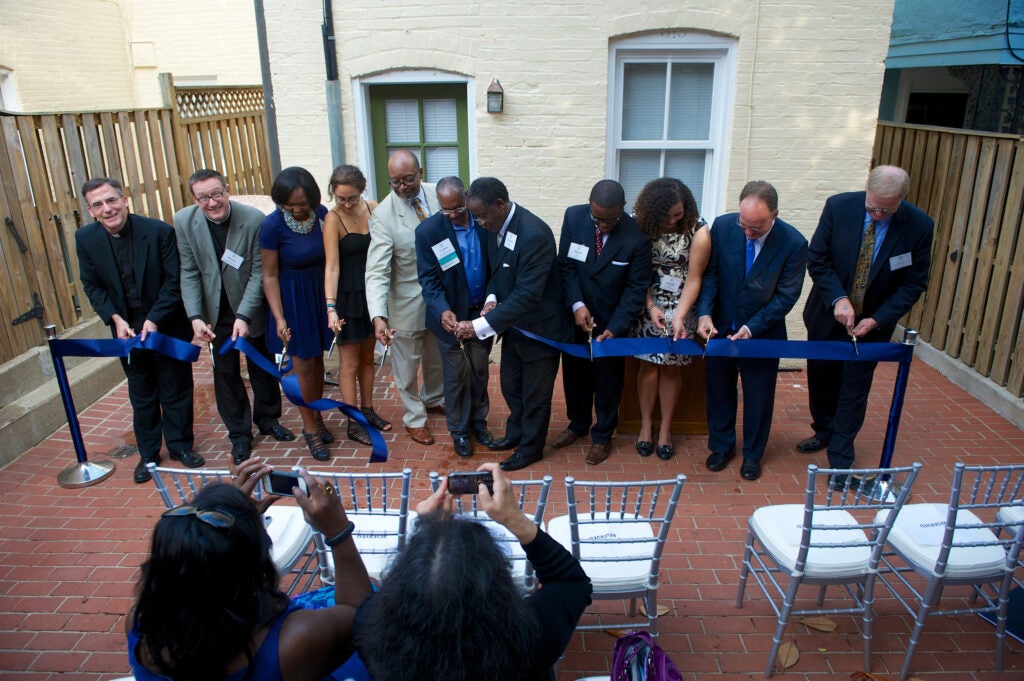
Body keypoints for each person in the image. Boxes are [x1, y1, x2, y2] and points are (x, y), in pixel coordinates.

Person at [126, 458, 373, 681]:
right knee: (372, 587)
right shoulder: (294, 641)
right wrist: (338, 531)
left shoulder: (139, 624)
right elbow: (359, 613)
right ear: (250, 571)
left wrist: (233, 513)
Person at [354, 463, 592, 681]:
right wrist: (515, 519)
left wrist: (427, 529)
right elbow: (571, 582)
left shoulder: (372, 631)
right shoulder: (532, 637)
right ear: (498, 586)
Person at [799, 165, 934, 471]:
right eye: (872, 207)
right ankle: (823, 431)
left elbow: (914, 283)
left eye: (886, 210)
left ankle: (840, 458)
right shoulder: (839, 207)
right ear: (866, 190)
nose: (877, 214)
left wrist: (877, 320)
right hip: (826, 314)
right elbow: (817, 259)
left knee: (854, 387)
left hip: (871, 323)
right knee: (821, 378)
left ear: (901, 201)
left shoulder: (919, 226)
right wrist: (838, 298)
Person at [75, 177, 203, 485]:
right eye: (98, 204)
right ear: (91, 211)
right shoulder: (85, 239)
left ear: (124, 200)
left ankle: (181, 447)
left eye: (111, 200)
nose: (107, 209)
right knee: (142, 393)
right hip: (126, 331)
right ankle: (148, 455)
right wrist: (114, 318)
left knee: (176, 388)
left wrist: (155, 318)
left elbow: (175, 280)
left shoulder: (158, 231)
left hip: (166, 324)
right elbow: (92, 285)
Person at [175, 169, 294, 466]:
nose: (212, 202)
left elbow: (258, 273)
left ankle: (268, 419)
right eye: (203, 197)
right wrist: (195, 316)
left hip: (249, 306)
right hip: (215, 312)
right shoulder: (183, 221)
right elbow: (188, 271)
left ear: (227, 191)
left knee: (262, 365)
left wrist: (244, 314)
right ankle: (239, 434)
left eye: (217, 194)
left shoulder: (253, 219)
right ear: (194, 198)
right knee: (225, 373)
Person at [456, 177, 573, 471]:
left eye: (482, 215)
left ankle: (531, 449)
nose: (478, 222)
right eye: (475, 216)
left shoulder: (535, 234)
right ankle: (516, 434)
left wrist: (479, 325)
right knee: (510, 385)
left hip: (540, 329)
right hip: (513, 325)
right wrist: (493, 297)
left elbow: (527, 294)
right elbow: (497, 271)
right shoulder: (494, 227)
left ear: (500, 204)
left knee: (535, 395)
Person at [696, 180, 807, 481]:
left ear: (775, 216)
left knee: (758, 397)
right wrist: (704, 313)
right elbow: (712, 275)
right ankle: (721, 446)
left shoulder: (794, 243)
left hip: (762, 334)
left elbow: (786, 296)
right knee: (718, 391)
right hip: (719, 328)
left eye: (755, 228)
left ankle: (753, 455)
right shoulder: (723, 226)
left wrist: (751, 327)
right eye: (743, 224)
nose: (747, 232)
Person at [553, 179, 652, 465]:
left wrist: (616, 326)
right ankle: (577, 424)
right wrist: (577, 304)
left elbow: (636, 288)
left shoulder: (637, 237)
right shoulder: (574, 216)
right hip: (576, 314)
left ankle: (602, 435)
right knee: (574, 374)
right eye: (597, 218)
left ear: (623, 210)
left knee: (608, 382)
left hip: (612, 322)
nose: (602, 225)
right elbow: (566, 266)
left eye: (610, 220)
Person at [364, 150, 445, 446]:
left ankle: (434, 398)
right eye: (394, 182)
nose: (402, 187)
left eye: (408, 180)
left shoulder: (438, 194)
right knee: (407, 369)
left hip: (439, 301)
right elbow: (376, 270)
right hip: (405, 304)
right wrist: (378, 315)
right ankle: (414, 418)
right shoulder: (384, 215)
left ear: (420, 172)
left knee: (435, 359)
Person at [630, 178, 710, 461]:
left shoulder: (698, 230)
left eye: (678, 214)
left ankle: (665, 430)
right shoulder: (640, 226)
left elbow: (694, 278)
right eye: (666, 216)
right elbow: (638, 272)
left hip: (682, 304)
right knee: (649, 366)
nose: (672, 220)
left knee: (672, 368)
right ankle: (645, 427)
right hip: (648, 300)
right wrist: (650, 306)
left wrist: (681, 315)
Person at [415, 176, 495, 458]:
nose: (453, 215)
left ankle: (478, 423)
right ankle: (459, 432)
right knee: (456, 375)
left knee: (479, 370)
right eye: (446, 210)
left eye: (458, 207)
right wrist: (442, 310)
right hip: (449, 316)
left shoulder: (485, 223)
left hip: (481, 313)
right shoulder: (428, 231)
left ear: (467, 197)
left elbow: (496, 267)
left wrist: (492, 300)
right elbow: (428, 280)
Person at [260, 167, 333, 461]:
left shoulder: (323, 214)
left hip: (318, 294)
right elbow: (269, 275)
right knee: (301, 365)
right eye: (290, 204)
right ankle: (309, 428)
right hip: (291, 298)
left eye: (303, 203)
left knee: (316, 362)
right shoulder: (272, 225)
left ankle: (316, 415)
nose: (297, 209)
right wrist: (279, 318)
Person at [323, 164, 391, 446]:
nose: (347, 204)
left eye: (352, 198)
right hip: (348, 298)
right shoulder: (332, 219)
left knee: (368, 359)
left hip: (372, 294)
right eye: (341, 198)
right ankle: (353, 422)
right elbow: (332, 267)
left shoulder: (374, 208)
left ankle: (368, 409)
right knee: (348, 365)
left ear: (362, 191)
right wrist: (331, 307)